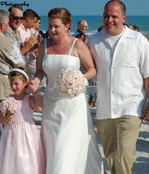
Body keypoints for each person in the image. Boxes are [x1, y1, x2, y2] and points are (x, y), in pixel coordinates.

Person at [29, 8, 104, 174]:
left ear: (67, 26)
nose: (52, 30)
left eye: (56, 26)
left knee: (65, 146)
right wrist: (35, 80)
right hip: (51, 105)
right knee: (54, 146)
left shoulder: (77, 45)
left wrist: (80, 80)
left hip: (72, 105)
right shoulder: (44, 45)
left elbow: (92, 69)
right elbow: (40, 69)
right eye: (50, 26)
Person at [88, 1, 149, 173]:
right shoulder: (94, 41)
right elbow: (87, 69)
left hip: (131, 107)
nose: (109, 20)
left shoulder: (138, 40)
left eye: (114, 16)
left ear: (124, 18)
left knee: (125, 154)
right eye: (106, 16)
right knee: (111, 154)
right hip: (105, 108)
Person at [0, 68, 45, 174]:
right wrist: (6, 118)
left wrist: (35, 92)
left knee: (27, 161)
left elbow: (40, 108)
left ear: (25, 83)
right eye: (11, 84)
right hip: (11, 136)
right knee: (11, 161)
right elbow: (2, 119)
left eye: (16, 83)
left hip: (27, 135)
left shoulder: (29, 99)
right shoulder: (8, 100)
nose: (13, 87)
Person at [0, 9, 25, 115]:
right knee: (7, 123)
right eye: (8, 24)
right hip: (2, 88)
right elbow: (21, 65)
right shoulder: (7, 42)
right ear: (3, 25)